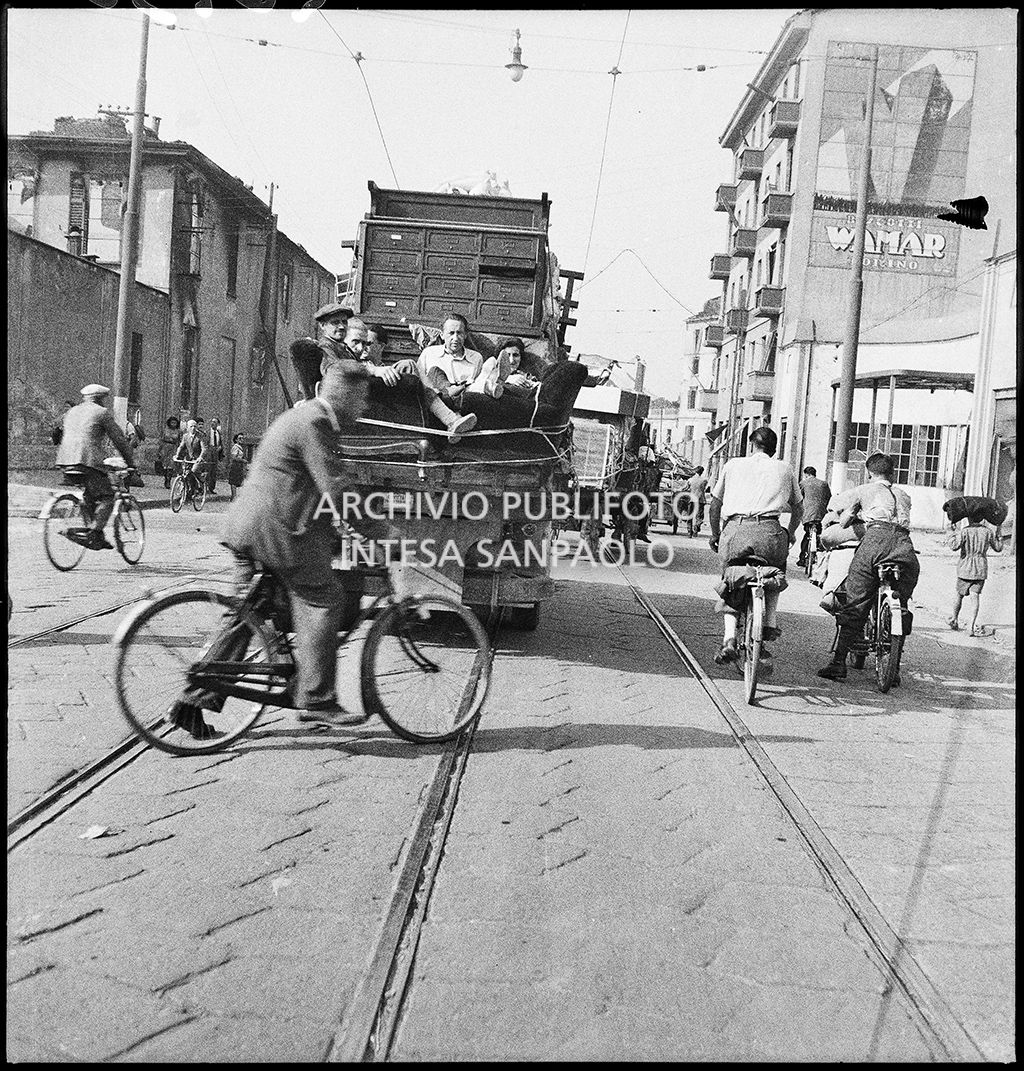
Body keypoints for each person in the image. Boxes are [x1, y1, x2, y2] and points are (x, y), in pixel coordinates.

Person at [210, 360, 383, 732]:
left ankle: (196, 695)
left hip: (250, 526)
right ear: (345, 394)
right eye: (362, 398)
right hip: (276, 532)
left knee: (245, 614)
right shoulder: (316, 423)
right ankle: (319, 700)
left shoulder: (301, 416)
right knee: (325, 598)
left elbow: (304, 487)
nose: (365, 407)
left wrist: (339, 533)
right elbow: (336, 489)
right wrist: (381, 533)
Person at [816, 452, 919, 682]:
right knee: (901, 603)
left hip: (876, 541)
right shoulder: (904, 495)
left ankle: (838, 662)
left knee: (856, 599)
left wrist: (847, 517)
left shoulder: (864, 490)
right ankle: (894, 668)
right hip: (905, 546)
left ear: (869, 472)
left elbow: (841, 515)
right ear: (892, 473)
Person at [707, 426, 802, 665]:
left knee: (731, 578)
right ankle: (769, 622)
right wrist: (789, 534)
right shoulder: (785, 468)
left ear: (752, 445)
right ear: (774, 449)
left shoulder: (732, 465)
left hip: (736, 531)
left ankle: (729, 638)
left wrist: (715, 535)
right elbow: (799, 508)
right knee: (775, 572)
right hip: (770, 533)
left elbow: (715, 505)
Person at [54, 384, 134, 550]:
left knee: (90, 495)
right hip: (87, 461)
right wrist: (130, 462)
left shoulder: (72, 411)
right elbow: (119, 440)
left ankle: (96, 535)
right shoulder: (102, 413)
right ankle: (94, 532)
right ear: (100, 399)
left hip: (65, 460)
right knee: (108, 497)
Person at [947, 513, 1003, 637]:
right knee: (975, 597)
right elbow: (998, 548)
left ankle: (955, 619)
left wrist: (951, 532)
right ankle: (971, 626)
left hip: (965, 568)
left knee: (959, 595)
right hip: (980, 569)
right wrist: (999, 533)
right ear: (982, 518)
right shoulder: (988, 532)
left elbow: (954, 546)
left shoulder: (965, 531)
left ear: (969, 518)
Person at [797, 466, 832, 568]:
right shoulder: (824, 484)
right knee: (819, 535)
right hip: (821, 515)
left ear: (806, 474)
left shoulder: (803, 483)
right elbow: (829, 498)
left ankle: (802, 558)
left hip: (808, 515)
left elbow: (798, 499)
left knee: (807, 534)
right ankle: (819, 558)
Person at [172, 419, 209, 499]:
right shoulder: (185, 436)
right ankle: (187, 489)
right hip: (188, 458)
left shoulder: (200, 436)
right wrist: (177, 455)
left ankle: (201, 484)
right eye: (191, 426)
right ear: (187, 428)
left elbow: (204, 448)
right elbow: (181, 446)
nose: (193, 428)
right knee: (184, 472)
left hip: (197, 459)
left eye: (194, 426)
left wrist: (200, 457)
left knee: (194, 471)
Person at [158, 416, 181, 489]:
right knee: (165, 465)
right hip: (165, 448)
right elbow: (161, 440)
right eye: (172, 422)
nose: (173, 424)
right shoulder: (165, 430)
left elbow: (179, 441)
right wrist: (159, 450)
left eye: (175, 423)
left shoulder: (178, 431)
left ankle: (169, 480)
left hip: (173, 448)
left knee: (171, 465)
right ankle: (165, 478)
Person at [685, 466, 708, 537]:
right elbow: (704, 489)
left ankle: (689, 532)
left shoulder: (690, 480)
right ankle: (697, 527)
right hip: (701, 500)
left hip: (692, 499)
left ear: (695, 472)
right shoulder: (704, 480)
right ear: (702, 472)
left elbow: (686, 488)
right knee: (699, 516)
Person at [206, 417, 224, 493]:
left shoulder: (218, 433)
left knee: (214, 471)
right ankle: (205, 488)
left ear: (218, 424)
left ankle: (211, 488)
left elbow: (220, 444)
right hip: (208, 452)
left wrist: (220, 448)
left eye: (215, 422)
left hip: (215, 452)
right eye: (212, 422)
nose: (212, 423)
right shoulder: (207, 432)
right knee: (208, 469)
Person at [227, 433, 246, 500]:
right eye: (240, 438)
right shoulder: (235, 447)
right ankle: (233, 496)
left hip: (239, 466)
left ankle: (234, 497)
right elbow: (234, 457)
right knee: (234, 482)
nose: (241, 440)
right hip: (235, 465)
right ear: (236, 440)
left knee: (238, 481)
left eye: (242, 438)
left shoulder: (240, 447)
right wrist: (242, 460)